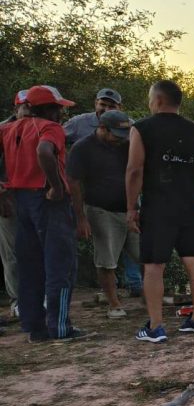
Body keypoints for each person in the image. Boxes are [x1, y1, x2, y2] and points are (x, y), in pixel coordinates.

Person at [126, 80, 194, 342]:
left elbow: (134, 171)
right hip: (190, 207)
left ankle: (155, 327)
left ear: (157, 100)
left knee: (154, 265)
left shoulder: (142, 128)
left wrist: (131, 207)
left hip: (158, 207)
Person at [0, 85, 93, 341]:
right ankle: (61, 328)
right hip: (48, 200)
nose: (61, 113)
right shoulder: (49, 128)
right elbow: (44, 151)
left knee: (29, 265)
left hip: (21, 199)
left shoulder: (7, 129)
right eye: (58, 108)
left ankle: (35, 328)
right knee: (60, 264)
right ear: (47, 109)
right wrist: (54, 184)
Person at [67, 110, 138, 318]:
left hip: (129, 208)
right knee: (106, 260)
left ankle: (150, 295)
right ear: (102, 129)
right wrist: (81, 218)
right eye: (116, 134)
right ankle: (114, 304)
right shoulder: (82, 148)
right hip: (100, 209)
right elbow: (74, 183)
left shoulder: (126, 144)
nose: (120, 139)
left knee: (146, 254)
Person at [0, 91, 31, 321]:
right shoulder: (3, 130)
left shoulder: (41, 128)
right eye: (25, 107)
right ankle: (17, 301)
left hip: (35, 199)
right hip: (8, 199)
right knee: (12, 252)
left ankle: (36, 297)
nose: (29, 111)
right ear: (16, 109)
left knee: (36, 250)